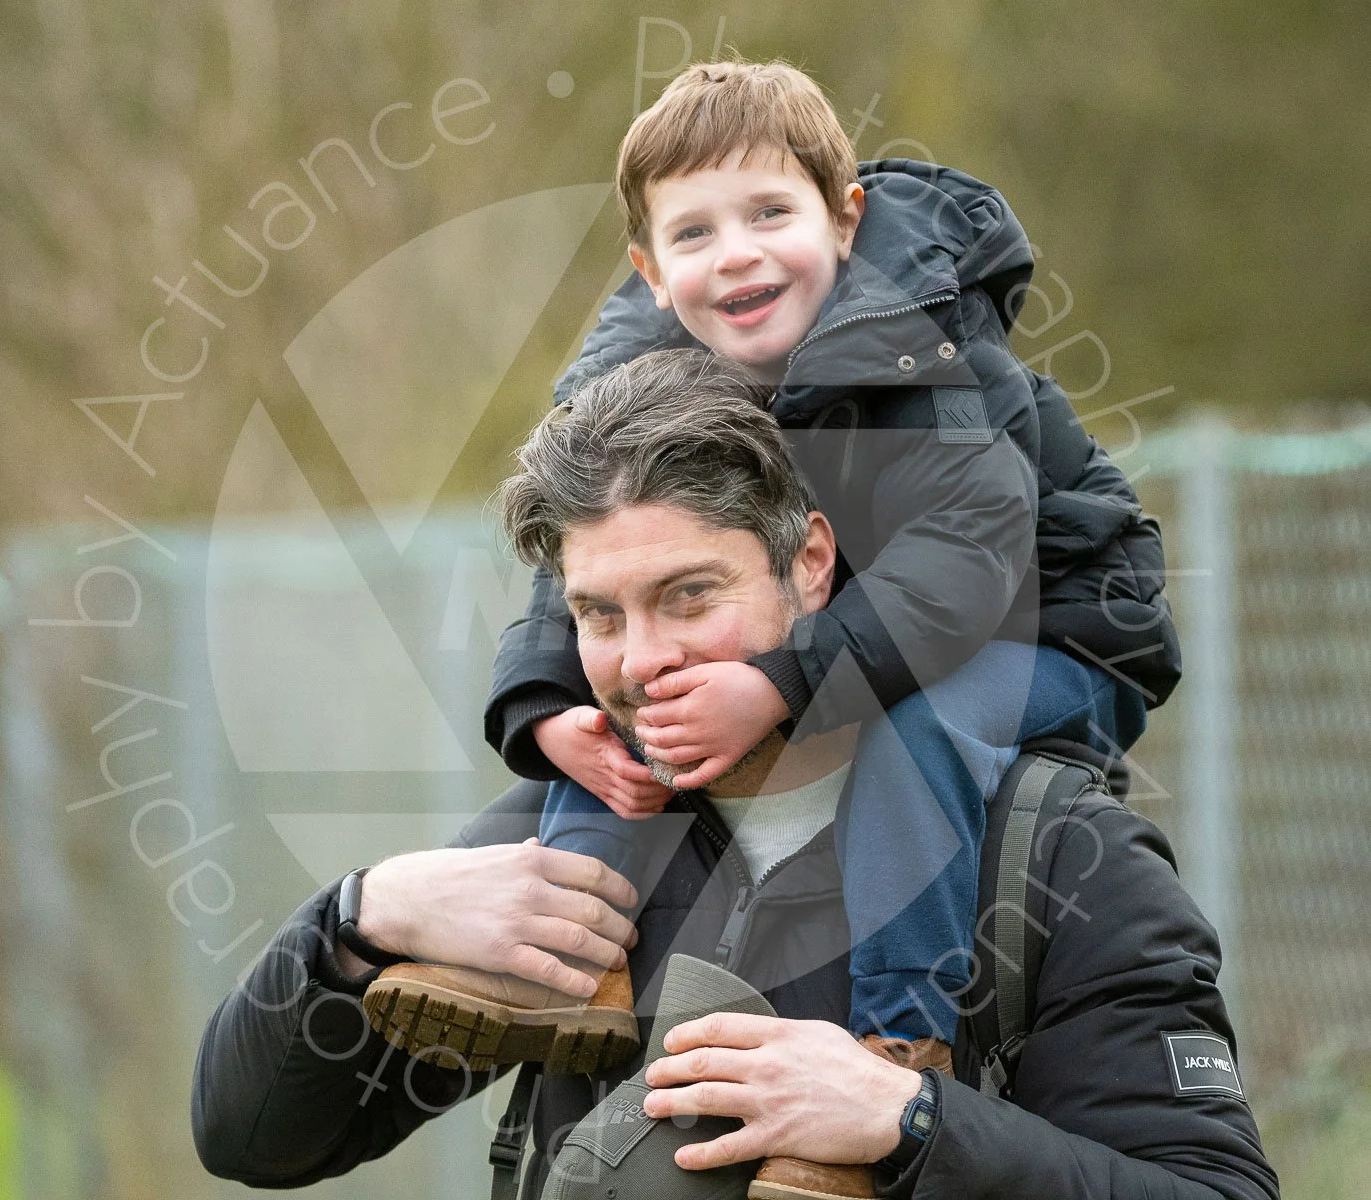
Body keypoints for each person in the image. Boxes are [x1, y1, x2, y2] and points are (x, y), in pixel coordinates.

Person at [191, 351, 1277, 1200]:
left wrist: (915, 1125)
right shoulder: (558, 846)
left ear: (811, 564)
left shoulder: (1050, 849)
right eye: (597, 615)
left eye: (689, 596)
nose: (640, 659)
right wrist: (362, 916)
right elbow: (251, 1137)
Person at [450, 58, 1179, 1089]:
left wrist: (780, 684)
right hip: (864, 623)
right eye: (694, 233)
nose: (737, 256)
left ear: (844, 219)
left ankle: (897, 1039)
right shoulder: (637, 388)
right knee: (629, 712)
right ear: (650, 269)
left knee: (906, 732)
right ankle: (575, 974)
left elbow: (967, 567)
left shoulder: (930, 351)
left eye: (769, 214)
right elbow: (592, 549)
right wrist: (544, 702)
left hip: (1050, 630)